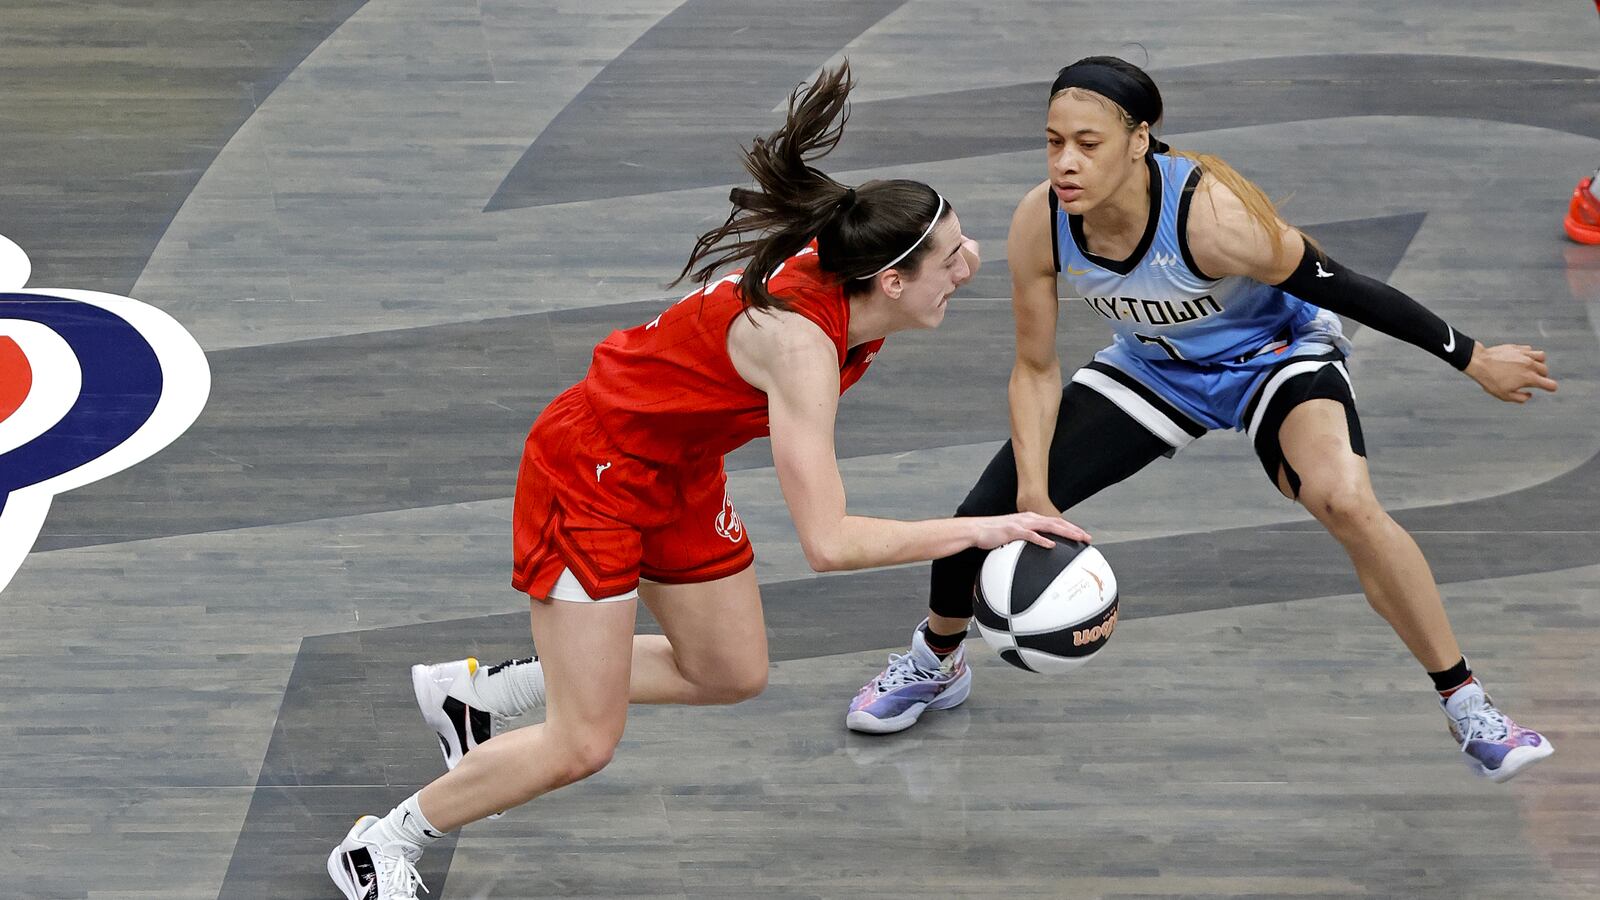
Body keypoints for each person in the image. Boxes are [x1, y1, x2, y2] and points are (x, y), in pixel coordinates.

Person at [326, 62, 1090, 900]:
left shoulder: (844, 274)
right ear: (892, 282)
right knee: (583, 741)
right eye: (952, 254)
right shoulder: (802, 346)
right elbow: (828, 543)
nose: (973, 261)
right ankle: (385, 841)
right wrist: (984, 530)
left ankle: (479, 695)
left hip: (677, 469)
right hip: (591, 477)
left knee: (729, 671)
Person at [844, 56, 1559, 784]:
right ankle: (938, 660)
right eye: (1053, 141)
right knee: (984, 512)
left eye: (1087, 144)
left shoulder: (1216, 219)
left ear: (1138, 139)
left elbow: (1348, 287)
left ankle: (1469, 704)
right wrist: (1034, 494)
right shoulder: (1043, 221)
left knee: (1346, 501)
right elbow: (1035, 368)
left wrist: (1472, 357)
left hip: (1273, 358)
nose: (1066, 162)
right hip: (1155, 368)